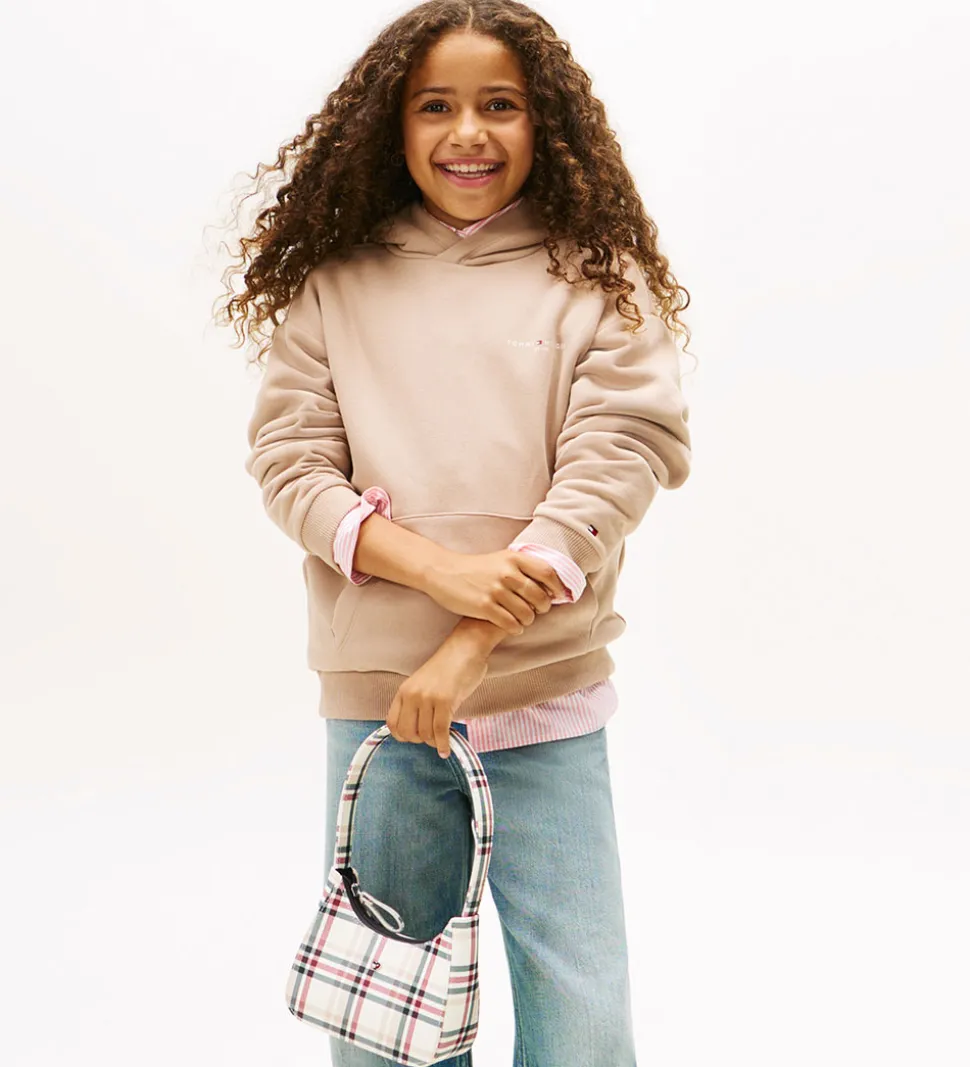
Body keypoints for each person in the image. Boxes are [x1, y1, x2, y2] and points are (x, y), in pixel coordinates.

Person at [220, 3, 694, 1063]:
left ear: (545, 124)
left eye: (500, 105)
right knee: (391, 1026)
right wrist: (436, 570)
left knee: (582, 1017)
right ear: (391, 125)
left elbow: (618, 458)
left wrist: (472, 639)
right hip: (386, 714)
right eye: (435, 106)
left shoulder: (598, 281)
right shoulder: (337, 285)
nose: (467, 133)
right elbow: (290, 463)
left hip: (545, 701)